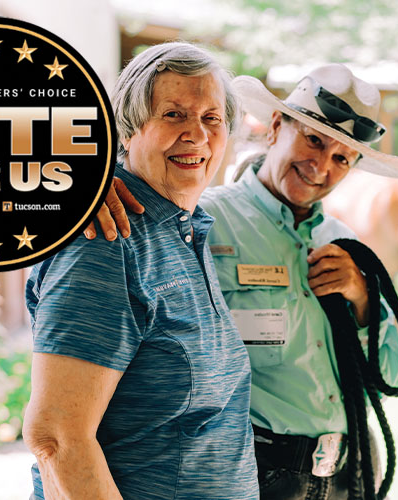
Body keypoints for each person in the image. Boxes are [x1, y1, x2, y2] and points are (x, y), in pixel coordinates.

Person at [89, 63, 398, 499]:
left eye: (342, 158)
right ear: (277, 127)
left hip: (347, 472)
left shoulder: (345, 243)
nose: (321, 166)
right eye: (313, 140)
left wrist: (361, 297)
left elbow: (394, 374)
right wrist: (94, 185)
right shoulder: (202, 220)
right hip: (254, 472)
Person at [22, 42, 258, 500]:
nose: (197, 135)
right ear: (128, 131)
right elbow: (56, 437)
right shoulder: (105, 240)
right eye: (173, 114)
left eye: (212, 118)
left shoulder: (181, 228)